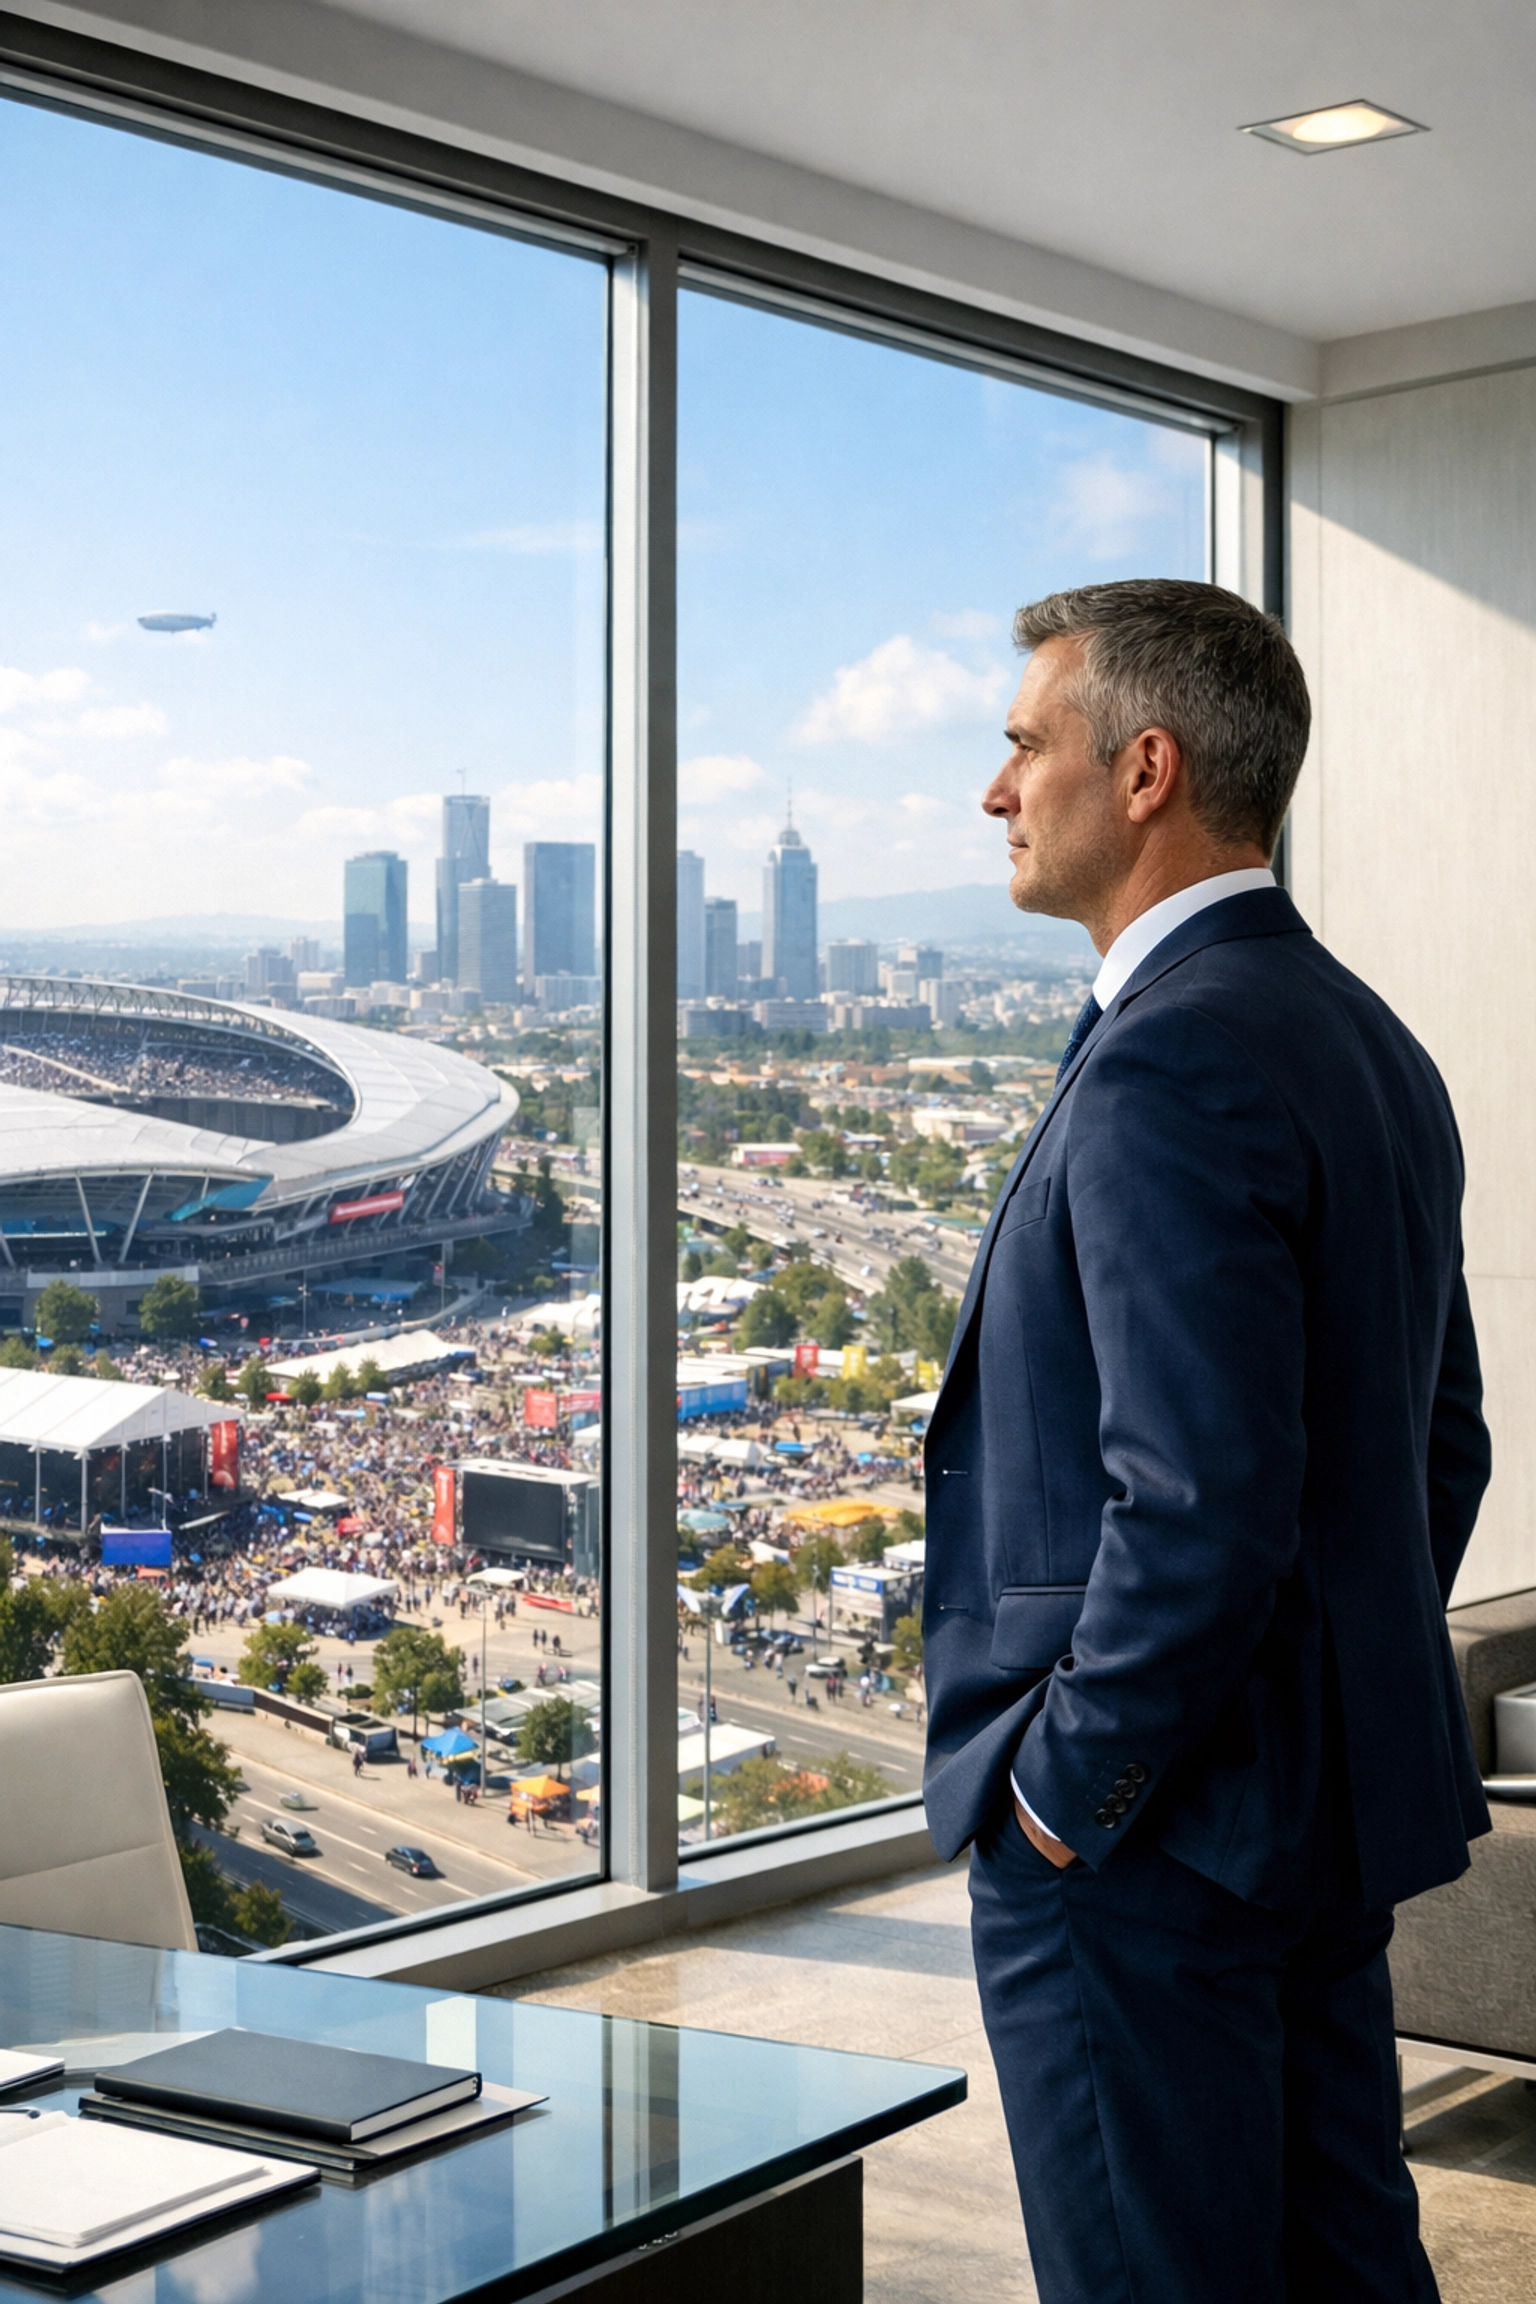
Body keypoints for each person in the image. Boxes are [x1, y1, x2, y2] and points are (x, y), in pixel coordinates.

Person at [922, 580, 1490, 2304]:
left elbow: (1199, 1501)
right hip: (1306, 1824)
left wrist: (1063, 1795)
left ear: (1146, 767)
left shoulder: (1172, 1059)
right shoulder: (1365, 1042)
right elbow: (1436, 1443)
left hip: (1147, 1846)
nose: (997, 789)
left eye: (1026, 743)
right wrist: (1312, 1700)